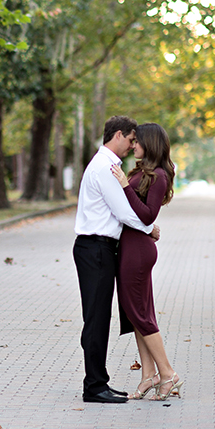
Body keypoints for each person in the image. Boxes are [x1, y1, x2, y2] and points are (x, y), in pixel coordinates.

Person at [73, 116, 157, 404]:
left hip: (99, 249)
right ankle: (94, 387)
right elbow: (124, 212)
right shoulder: (105, 167)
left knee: (98, 317)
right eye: (132, 139)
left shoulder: (106, 164)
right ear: (118, 135)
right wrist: (150, 228)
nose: (133, 145)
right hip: (95, 248)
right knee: (96, 319)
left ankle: (98, 381)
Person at [110, 122, 183, 401]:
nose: (133, 144)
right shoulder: (143, 172)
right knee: (136, 314)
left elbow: (146, 215)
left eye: (137, 141)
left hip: (139, 252)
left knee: (139, 313)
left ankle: (168, 373)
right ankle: (148, 376)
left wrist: (123, 185)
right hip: (131, 247)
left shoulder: (159, 176)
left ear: (149, 143)